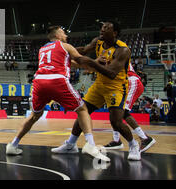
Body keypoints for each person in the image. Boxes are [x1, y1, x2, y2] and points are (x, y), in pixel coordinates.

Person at [6, 26, 110, 162]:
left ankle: (12, 145)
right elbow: (80, 59)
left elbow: (72, 64)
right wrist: (98, 65)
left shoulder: (43, 49)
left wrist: (92, 63)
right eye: (63, 32)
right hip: (57, 80)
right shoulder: (64, 45)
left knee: (34, 115)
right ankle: (90, 145)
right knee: (83, 109)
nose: (65, 34)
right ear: (57, 35)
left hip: (39, 82)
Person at [53, 22, 141, 161]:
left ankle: (133, 145)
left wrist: (92, 62)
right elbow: (83, 50)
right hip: (99, 85)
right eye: (102, 27)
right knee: (83, 113)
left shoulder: (123, 50)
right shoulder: (98, 41)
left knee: (116, 122)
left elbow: (112, 73)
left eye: (107, 28)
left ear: (115, 33)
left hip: (116, 87)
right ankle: (70, 144)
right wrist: (65, 51)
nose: (102, 29)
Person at [104, 63, 156, 153]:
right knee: (114, 111)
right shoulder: (105, 52)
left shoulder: (117, 50)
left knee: (122, 111)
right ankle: (116, 141)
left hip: (131, 81)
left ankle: (145, 138)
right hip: (122, 85)